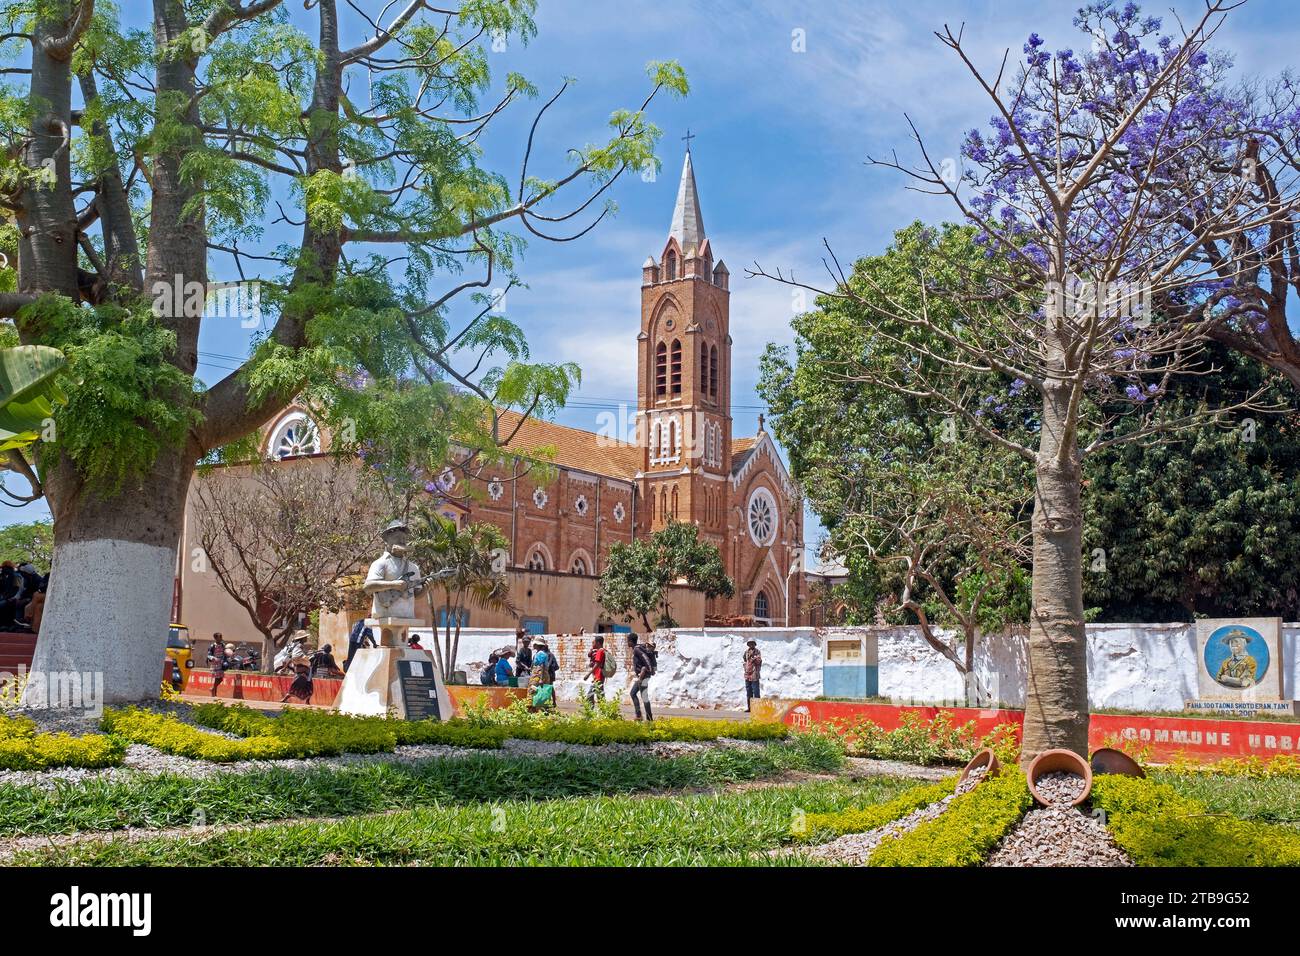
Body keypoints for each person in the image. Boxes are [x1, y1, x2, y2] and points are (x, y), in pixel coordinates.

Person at [629, 634, 657, 722]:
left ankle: (649, 718)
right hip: (642, 676)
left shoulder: (637, 649)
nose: (627, 643)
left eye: (628, 641)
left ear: (630, 641)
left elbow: (646, 659)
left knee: (644, 696)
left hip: (643, 676)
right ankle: (639, 715)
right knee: (633, 693)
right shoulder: (637, 648)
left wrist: (648, 670)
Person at [584, 635, 608, 703]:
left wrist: (588, 674)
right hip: (600, 676)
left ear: (598, 643)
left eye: (594, 642)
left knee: (590, 695)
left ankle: (589, 710)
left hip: (598, 677)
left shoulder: (600, 651)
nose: (593, 644)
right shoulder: (604, 650)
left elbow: (597, 664)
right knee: (599, 696)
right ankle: (602, 711)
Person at [743, 640, 763, 711]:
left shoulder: (757, 652)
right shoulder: (746, 652)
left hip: (754, 674)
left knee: (756, 692)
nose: (751, 645)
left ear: (754, 644)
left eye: (752, 644)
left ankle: (757, 709)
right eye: (750, 644)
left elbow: (759, 661)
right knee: (749, 692)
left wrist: (754, 658)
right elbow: (745, 660)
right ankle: (750, 708)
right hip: (747, 674)